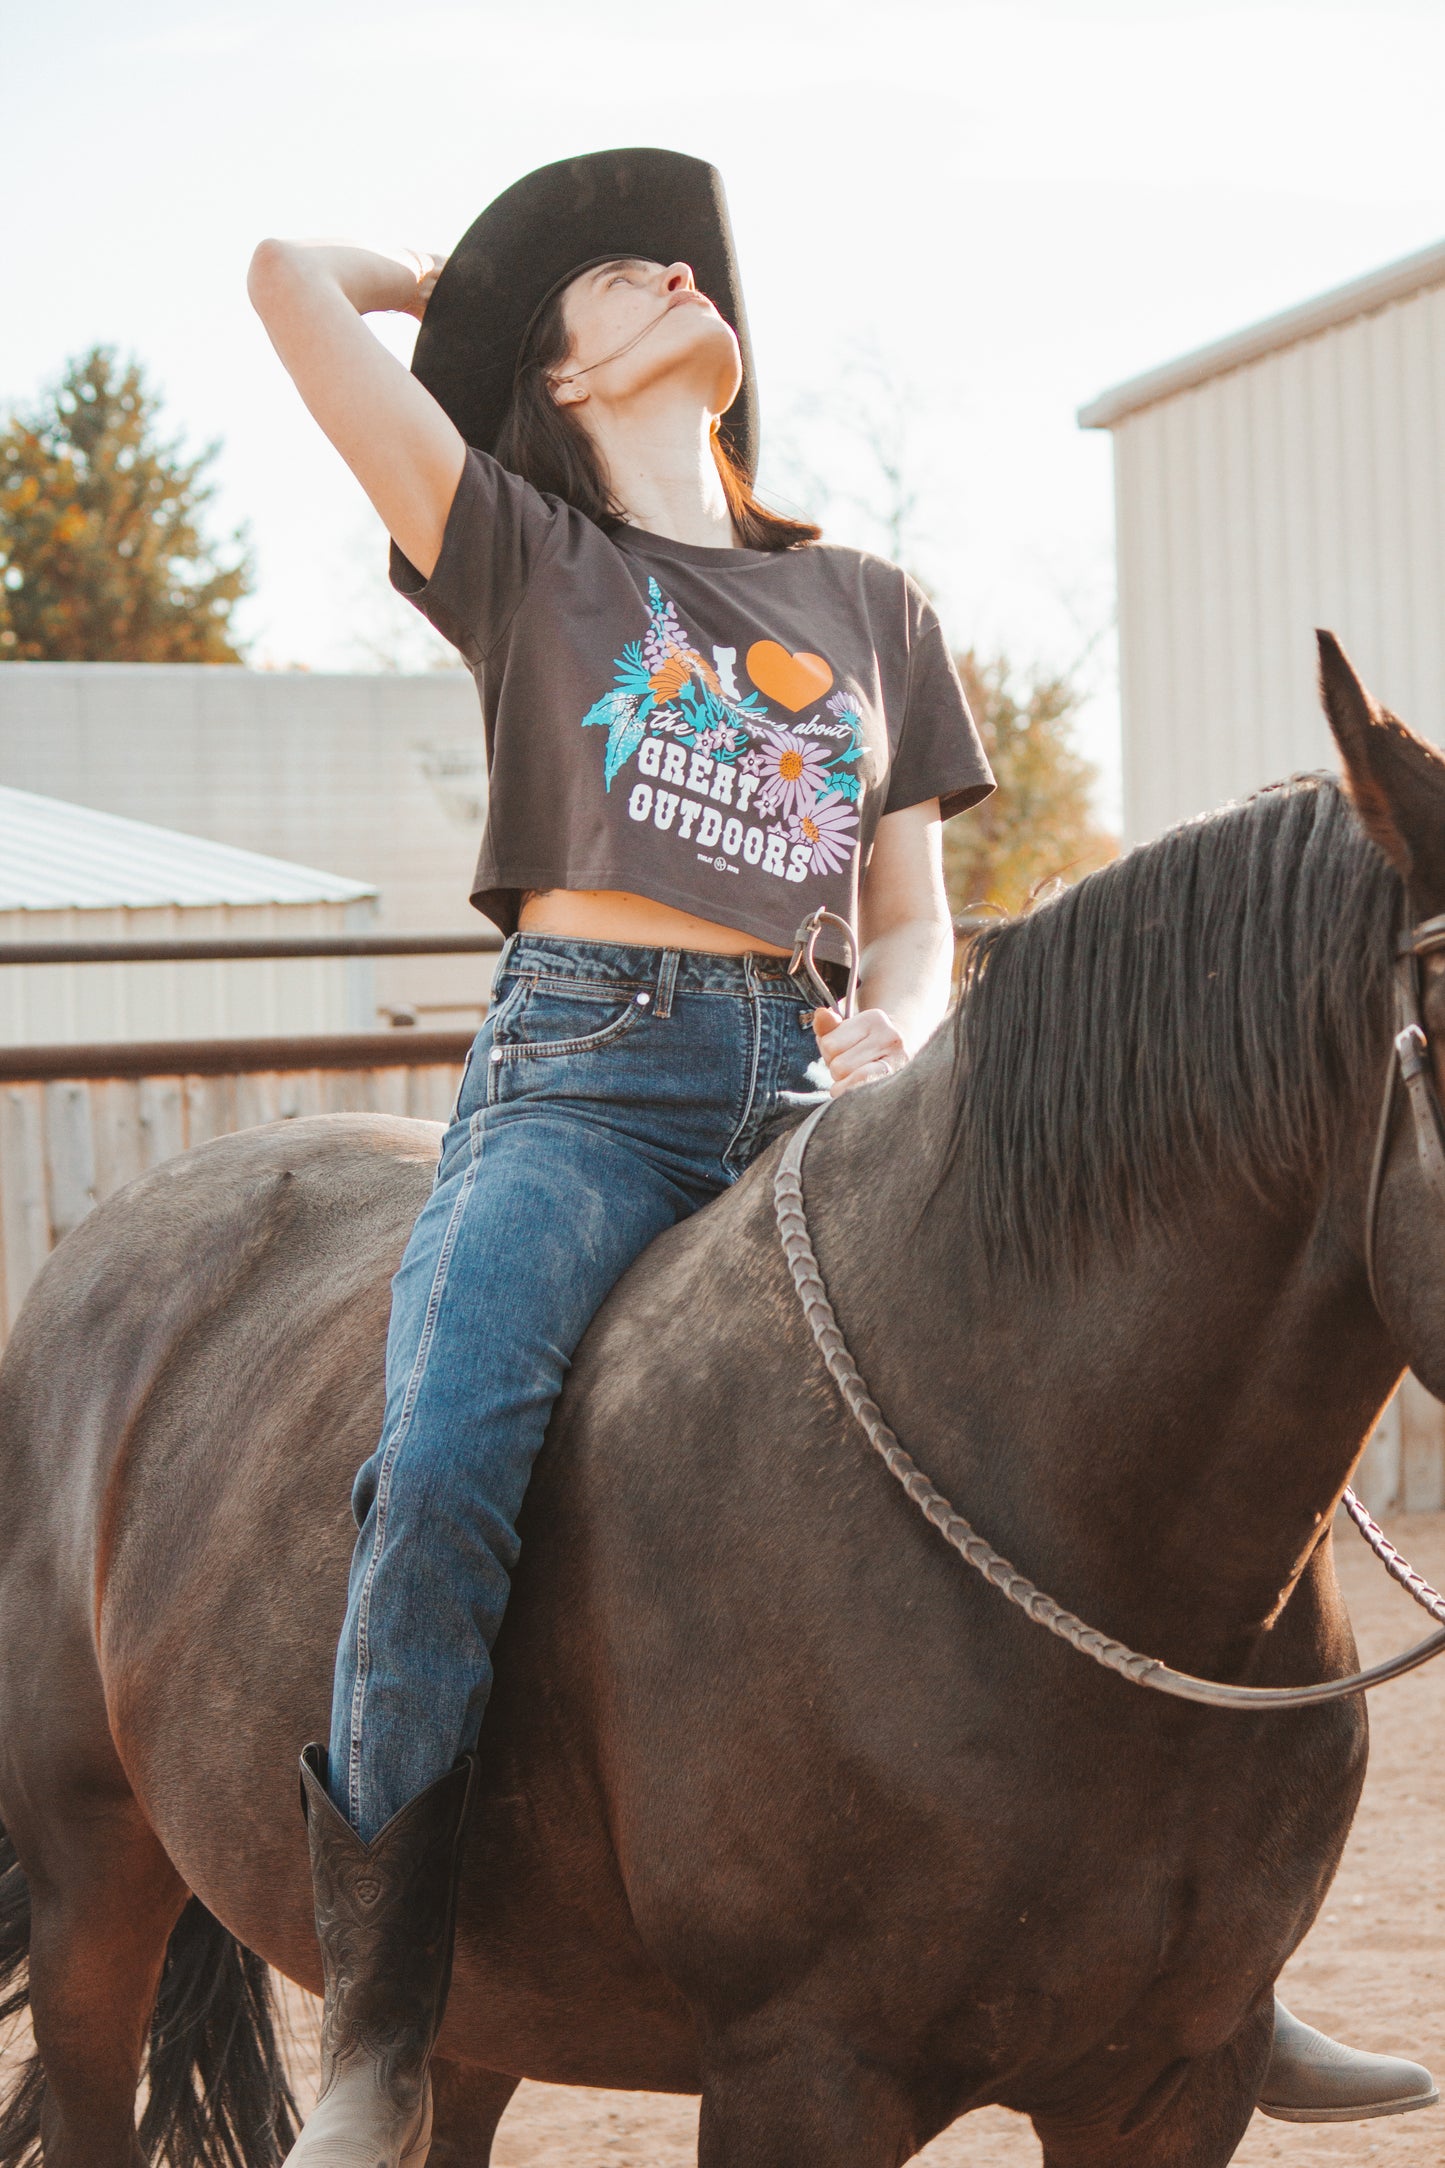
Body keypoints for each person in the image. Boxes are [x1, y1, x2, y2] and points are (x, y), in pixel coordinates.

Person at [248, 148, 1435, 2168]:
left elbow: (911, 904)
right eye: (618, 276)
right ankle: (383, 2006)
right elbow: (283, 279)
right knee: (444, 1460)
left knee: (1115, 1415)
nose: (672, 274)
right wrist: (465, 276)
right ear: (554, 371)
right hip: (580, 1086)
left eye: (680, 261)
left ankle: (1197, 1962)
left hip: (813, 1089)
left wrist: (909, 1011)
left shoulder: (872, 608)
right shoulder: (513, 542)